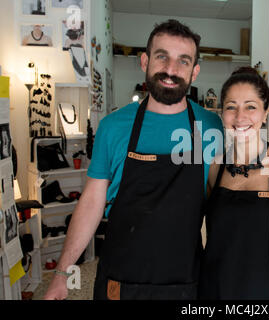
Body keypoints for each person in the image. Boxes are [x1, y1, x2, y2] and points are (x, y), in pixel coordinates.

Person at [44, 19, 223, 300]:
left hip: (187, 281)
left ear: (195, 71)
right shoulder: (114, 126)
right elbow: (92, 201)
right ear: (145, 61)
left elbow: (229, 194)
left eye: (183, 61)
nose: (171, 70)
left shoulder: (211, 126)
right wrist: (62, 273)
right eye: (162, 57)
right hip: (120, 281)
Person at [198, 67, 269, 300]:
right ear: (222, 113)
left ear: (265, 112)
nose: (240, 117)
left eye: (251, 106)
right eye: (231, 107)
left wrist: (262, 257)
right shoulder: (214, 168)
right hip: (218, 284)